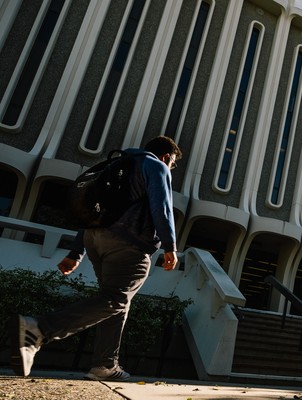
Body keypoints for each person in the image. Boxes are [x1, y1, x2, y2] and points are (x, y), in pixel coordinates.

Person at [10, 136, 182, 381]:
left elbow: (94, 210)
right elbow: (162, 207)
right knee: (116, 300)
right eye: (172, 163)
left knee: (113, 303)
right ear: (167, 156)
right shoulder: (156, 166)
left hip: (95, 241)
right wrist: (169, 246)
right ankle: (38, 329)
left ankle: (105, 365)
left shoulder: (120, 165)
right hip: (128, 245)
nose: (171, 167)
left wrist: (75, 251)